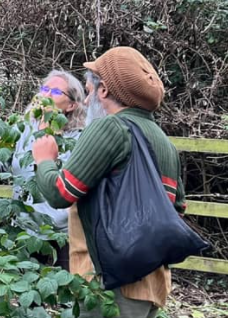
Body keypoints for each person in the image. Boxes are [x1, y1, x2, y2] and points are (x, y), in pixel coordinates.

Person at [32, 47, 184, 317]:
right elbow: (177, 209)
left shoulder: (109, 128)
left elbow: (61, 193)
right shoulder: (165, 142)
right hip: (151, 282)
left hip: (109, 282)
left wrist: (44, 159)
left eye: (89, 91)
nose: (87, 101)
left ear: (104, 92)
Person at [8, 70, 87, 271]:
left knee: (65, 296)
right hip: (25, 229)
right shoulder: (25, 129)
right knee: (27, 297)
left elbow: (73, 182)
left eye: (56, 91)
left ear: (72, 105)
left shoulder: (79, 140)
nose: (47, 94)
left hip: (62, 234)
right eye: (45, 88)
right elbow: (4, 165)